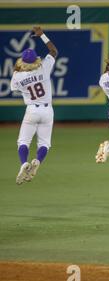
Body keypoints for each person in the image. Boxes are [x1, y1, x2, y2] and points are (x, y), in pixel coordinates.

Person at [11, 26, 58, 185]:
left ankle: (24, 162)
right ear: (36, 60)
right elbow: (53, 51)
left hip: (31, 110)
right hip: (47, 110)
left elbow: (14, 84)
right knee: (44, 143)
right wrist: (42, 35)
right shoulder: (44, 67)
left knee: (23, 141)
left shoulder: (18, 76)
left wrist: (20, 67)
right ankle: (37, 160)